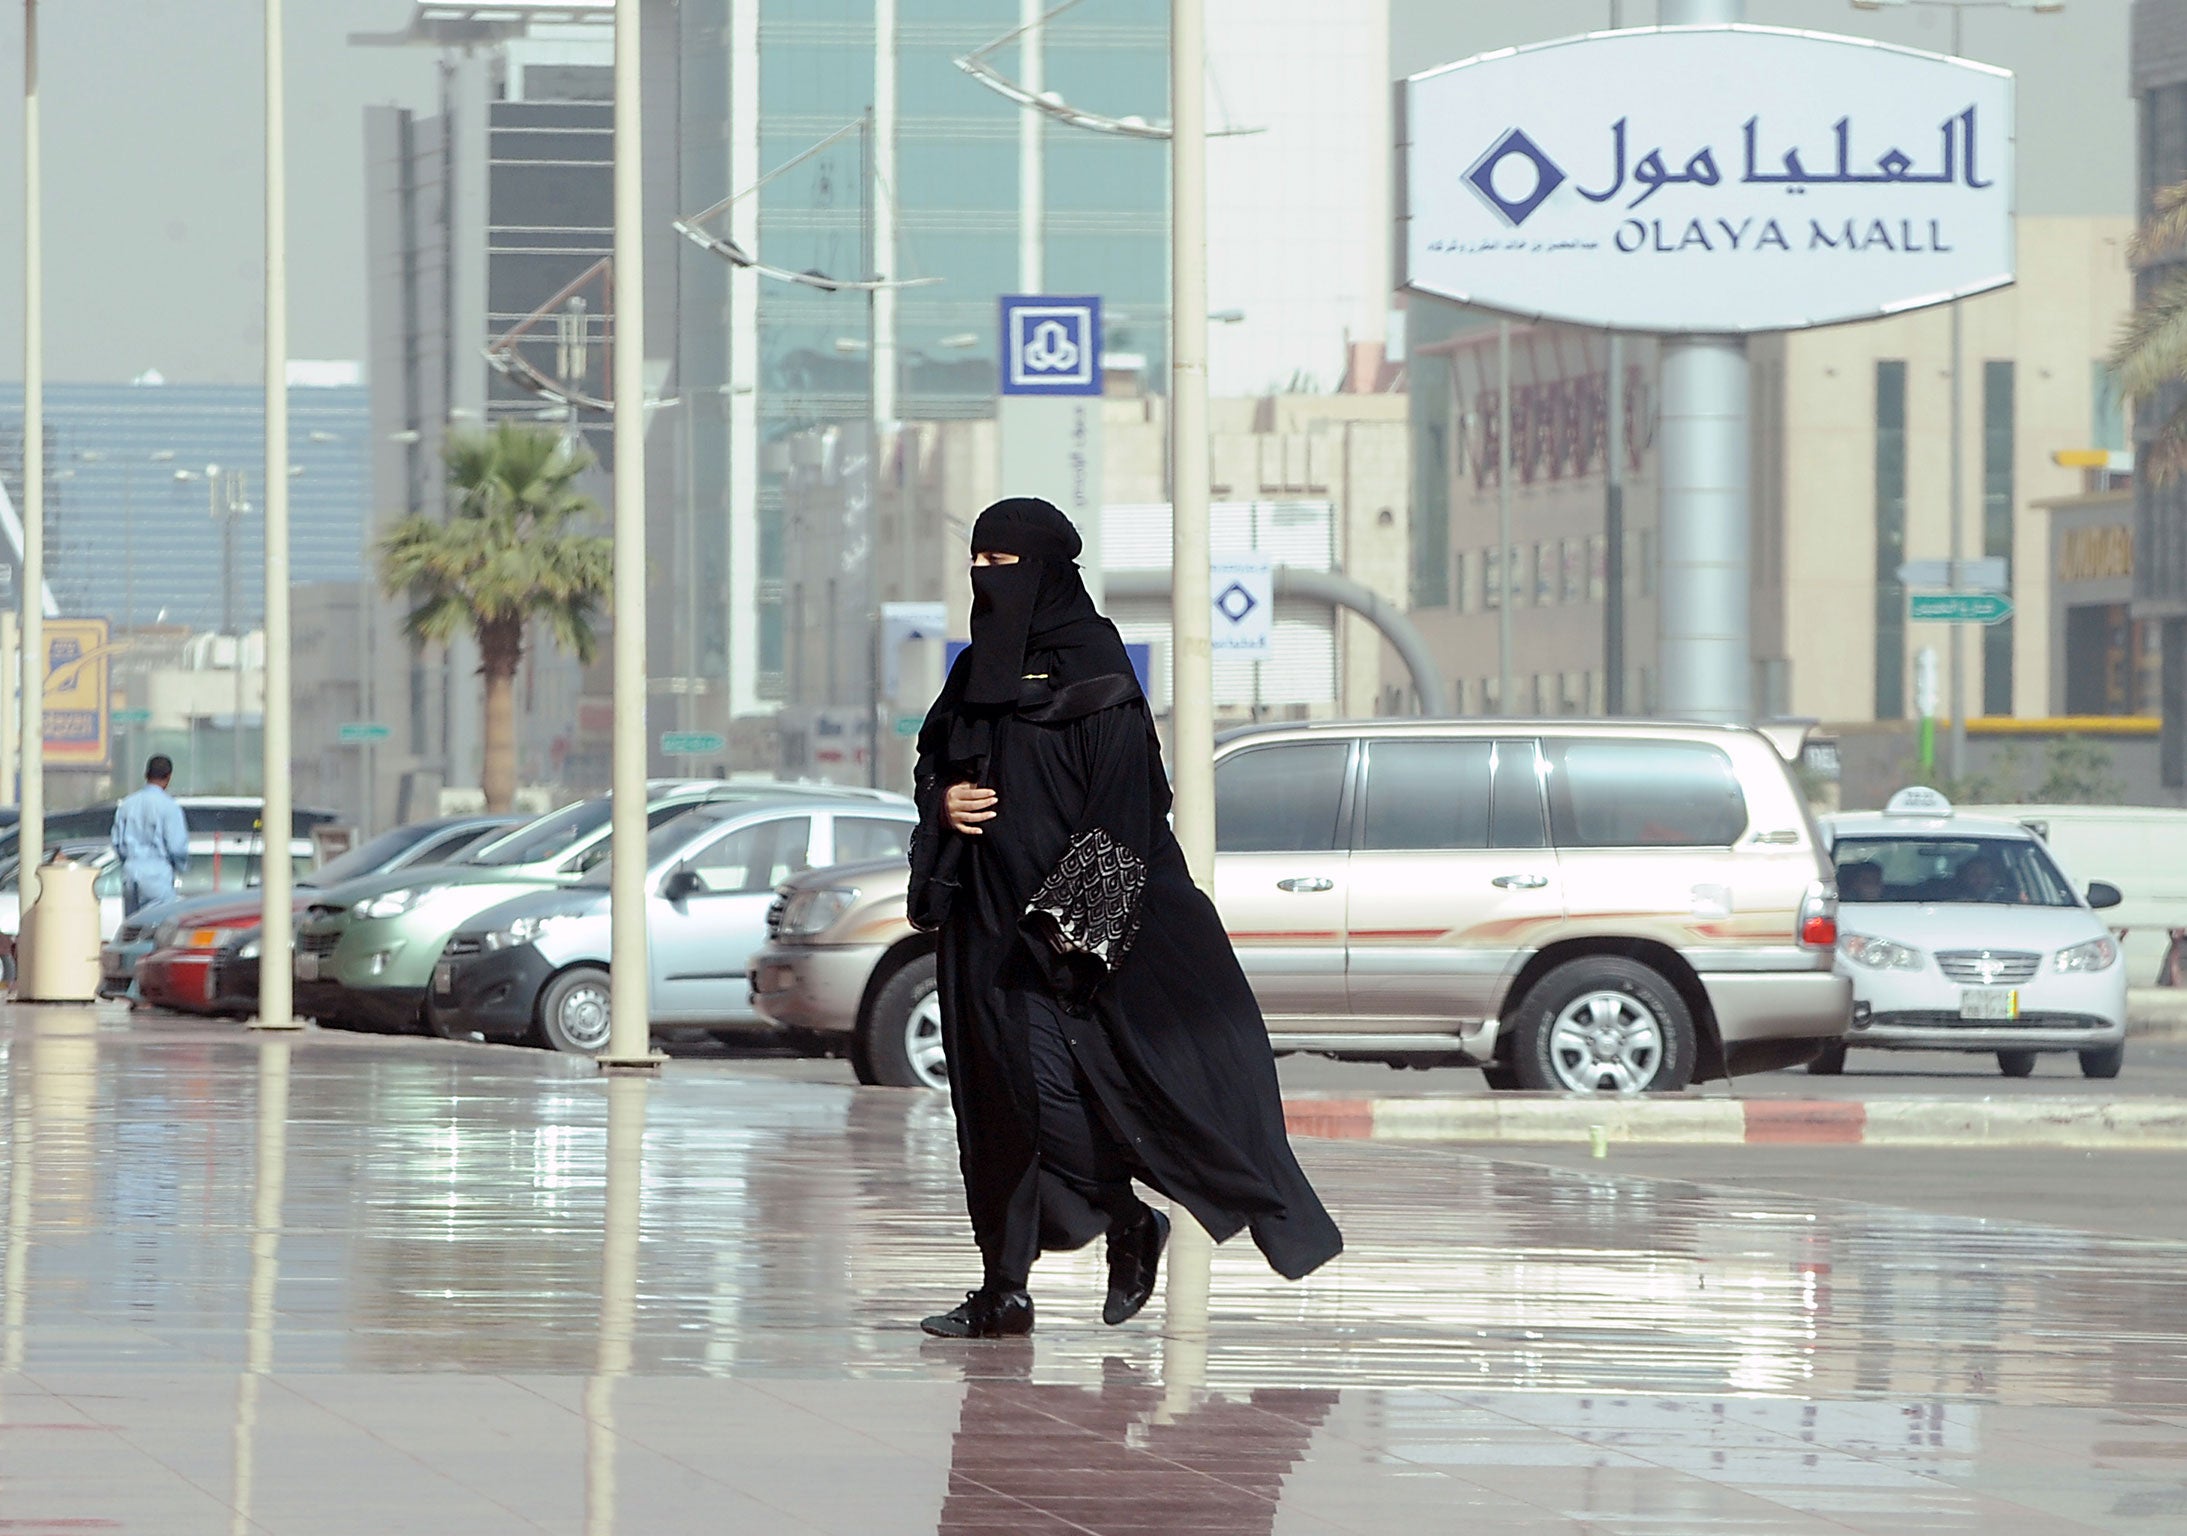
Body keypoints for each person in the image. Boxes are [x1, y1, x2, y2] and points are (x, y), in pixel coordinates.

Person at [907, 497, 1342, 1340]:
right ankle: (1003, 1289)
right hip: (981, 932)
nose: (987, 583)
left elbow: (1127, 810)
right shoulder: (972, 675)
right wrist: (943, 805)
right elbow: (934, 763)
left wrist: (1071, 934)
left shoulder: (1095, 672)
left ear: (1049, 573)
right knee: (993, 1111)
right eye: (978, 566)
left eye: (1005, 568)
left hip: (1065, 940)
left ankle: (1128, 1219)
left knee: (1058, 1106)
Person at [111, 755, 189, 917]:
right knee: (158, 929)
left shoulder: (126, 804)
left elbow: (117, 843)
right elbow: (176, 848)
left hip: (130, 874)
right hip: (157, 875)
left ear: (146, 775)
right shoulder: (169, 807)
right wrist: (181, 867)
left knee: (133, 928)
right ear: (168, 777)